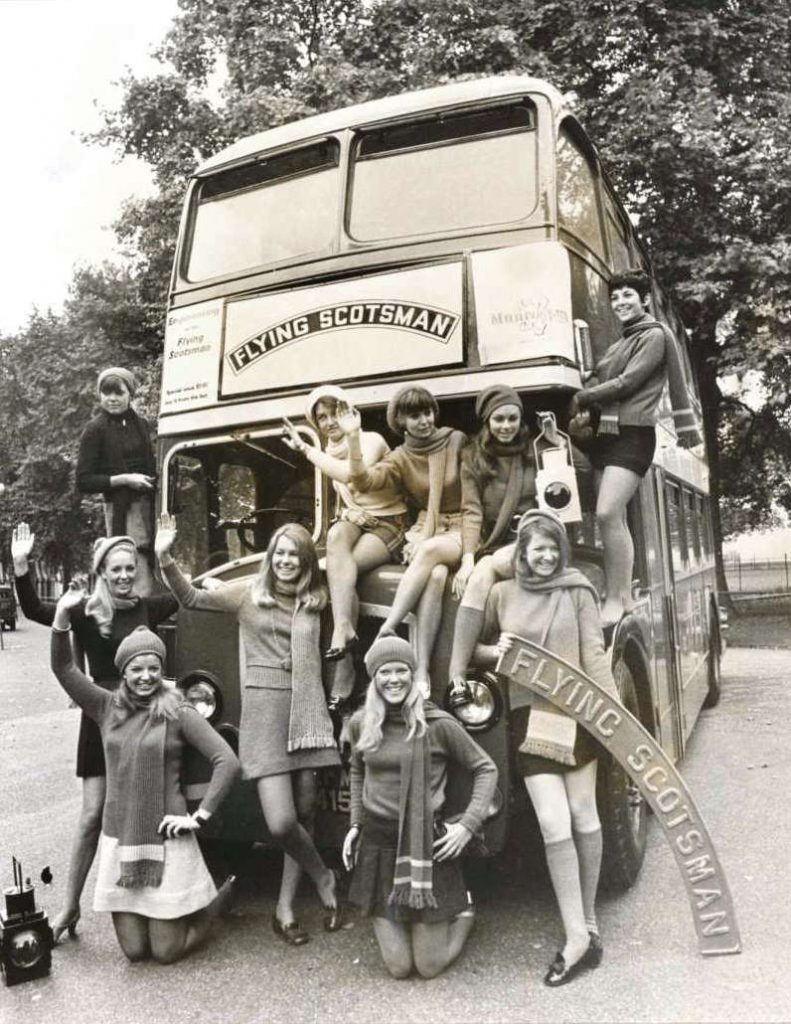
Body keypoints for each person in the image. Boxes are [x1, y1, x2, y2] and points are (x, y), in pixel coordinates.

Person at [155, 514, 343, 945]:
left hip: (306, 711)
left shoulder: (316, 601)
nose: (285, 560)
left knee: (305, 812)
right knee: (280, 822)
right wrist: (165, 557)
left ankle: (285, 908)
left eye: (294, 554)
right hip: (265, 715)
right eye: (280, 553)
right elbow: (190, 597)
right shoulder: (247, 595)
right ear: (270, 558)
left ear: (306, 562)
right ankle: (324, 876)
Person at [471, 509, 620, 986]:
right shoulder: (501, 593)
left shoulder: (579, 590)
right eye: (538, 548)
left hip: (576, 714)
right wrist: (501, 654)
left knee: (585, 816)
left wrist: (615, 718)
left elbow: (593, 653)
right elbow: (476, 648)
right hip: (529, 717)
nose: (547, 555)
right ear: (522, 552)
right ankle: (576, 936)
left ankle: (588, 923)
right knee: (553, 822)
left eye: (554, 547)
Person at [10, 524, 178, 942]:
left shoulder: (146, 608)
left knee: (150, 806)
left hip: (142, 721)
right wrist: (20, 566)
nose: (124, 576)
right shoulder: (87, 610)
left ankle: (160, 900)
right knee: (91, 816)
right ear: (101, 571)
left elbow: (184, 596)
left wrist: (168, 556)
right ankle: (69, 907)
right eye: (115, 569)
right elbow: (34, 610)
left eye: (130, 568)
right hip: (100, 716)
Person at [50, 602, 239, 964]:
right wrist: (61, 618)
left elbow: (226, 761)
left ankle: (214, 906)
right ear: (123, 672)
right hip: (122, 839)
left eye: (154, 667)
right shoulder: (104, 707)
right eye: (137, 668)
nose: (146, 676)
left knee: (166, 952)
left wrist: (198, 817)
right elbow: (63, 668)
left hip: (167, 837)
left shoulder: (179, 711)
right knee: (136, 951)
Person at [343, 636, 497, 979]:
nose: (394, 679)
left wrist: (468, 824)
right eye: (385, 671)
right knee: (399, 968)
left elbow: (486, 768)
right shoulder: (361, 723)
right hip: (379, 844)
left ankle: (464, 912)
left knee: (428, 967)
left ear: (413, 676)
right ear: (374, 677)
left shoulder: (437, 724)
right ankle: (406, 916)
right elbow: (357, 769)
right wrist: (355, 824)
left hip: (426, 844)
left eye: (402, 670)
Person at [570, 269, 701, 626]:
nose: (620, 302)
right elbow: (602, 373)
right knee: (615, 518)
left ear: (644, 299)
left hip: (633, 435)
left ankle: (615, 597)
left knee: (608, 513)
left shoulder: (655, 335)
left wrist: (585, 394)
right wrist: (588, 379)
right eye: (614, 297)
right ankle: (624, 597)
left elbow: (627, 383)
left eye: (628, 295)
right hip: (606, 435)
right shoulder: (620, 342)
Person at [448, 384, 591, 698]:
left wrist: (556, 440)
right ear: (487, 421)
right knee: (480, 567)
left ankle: (458, 668)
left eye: (512, 419)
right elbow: (470, 510)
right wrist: (468, 556)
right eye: (499, 419)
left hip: (539, 543)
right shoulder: (473, 457)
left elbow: (583, 471)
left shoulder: (535, 448)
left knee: (486, 570)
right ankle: (469, 660)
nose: (506, 426)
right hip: (499, 543)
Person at [282, 384, 408, 704]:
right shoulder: (329, 449)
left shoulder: (370, 440)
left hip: (391, 524)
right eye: (320, 417)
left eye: (334, 412)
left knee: (340, 573)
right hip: (360, 524)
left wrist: (307, 451)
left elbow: (353, 476)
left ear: (349, 411)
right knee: (337, 536)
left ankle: (345, 661)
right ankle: (345, 635)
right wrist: (352, 512)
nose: (328, 422)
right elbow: (350, 497)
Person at [342, 386, 467, 691]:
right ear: (401, 420)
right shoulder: (400, 457)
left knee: (429, 554)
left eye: (427, 413)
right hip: (428, 527)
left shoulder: (456, 441)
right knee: (436, 576)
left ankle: (388, 628)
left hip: (461, 526)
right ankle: (422, 671)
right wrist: (354, 438)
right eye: (415, 415)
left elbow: (476, 489)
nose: (424, 421)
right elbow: (363, 481)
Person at [76, 366, 157, 596]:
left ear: (129, 393)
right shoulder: (95, 430)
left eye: (118, 393)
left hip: (149, 507)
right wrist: (125, 480)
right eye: (106, 393)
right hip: (122, 511)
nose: (111, 399)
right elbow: (84, 481)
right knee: (133, 570)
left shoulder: (141, 424)